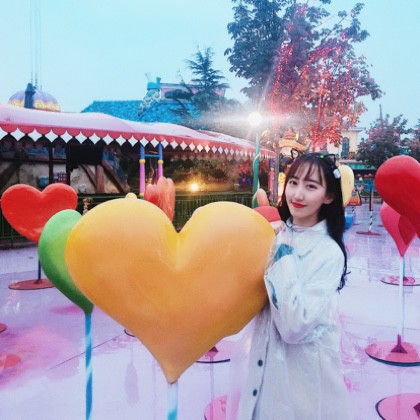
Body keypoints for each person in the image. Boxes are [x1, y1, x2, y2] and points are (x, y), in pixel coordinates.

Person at [236, 153, 351, 419]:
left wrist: (282, 253)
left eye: (311, 186)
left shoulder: (328, 252)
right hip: (262, 367)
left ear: (328, 196)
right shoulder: (273, 234)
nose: (298, 194)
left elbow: (294, 326)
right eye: (293, 182)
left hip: (303, 377)